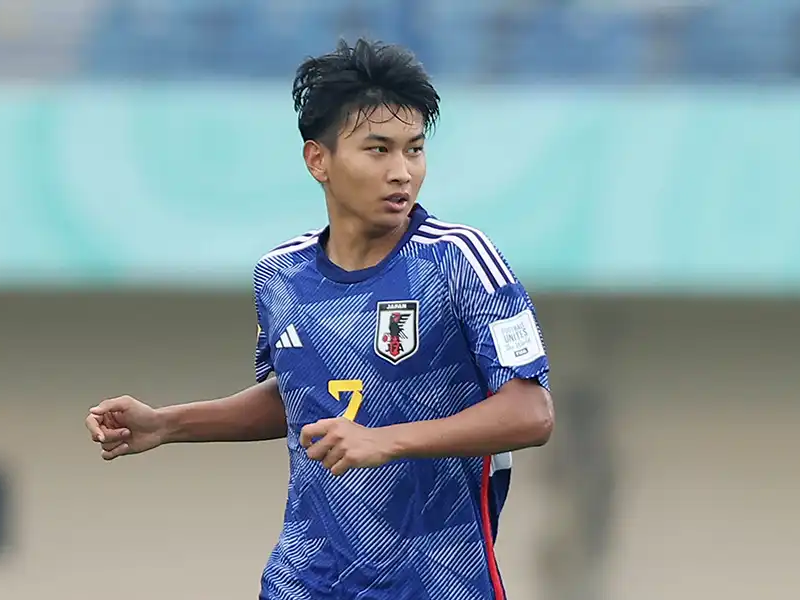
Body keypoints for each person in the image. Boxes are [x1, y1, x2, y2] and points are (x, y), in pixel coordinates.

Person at [85, 37, 553, 600]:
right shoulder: (280, 276)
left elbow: (532, 411)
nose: (402, 172)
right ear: (318, 160)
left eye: (414, 149)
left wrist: (386, 441)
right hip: (302, 582)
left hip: (435, 583)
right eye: (378, 150)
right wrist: (166, 425)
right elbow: (297, 398)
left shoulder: (458, 259)